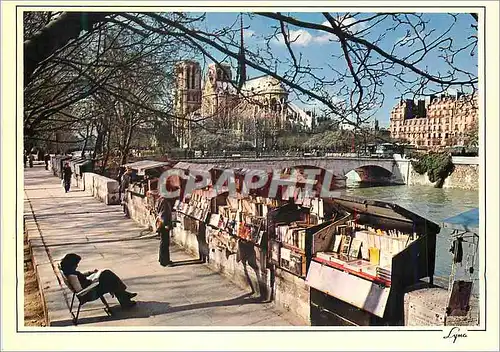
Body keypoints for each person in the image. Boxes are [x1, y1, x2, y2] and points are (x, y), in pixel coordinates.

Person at [60, 253, 137, 308]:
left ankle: (124, 297)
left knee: (108, 276)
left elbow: (80, 276)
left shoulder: (69, 271)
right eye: (76, 264)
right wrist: (93, 283)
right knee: (108, 276)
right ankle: (125, 297)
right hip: (90, 293)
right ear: (71, 264)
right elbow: (80, 291)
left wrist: (92, 273)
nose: (77, 266)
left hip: (90, 287)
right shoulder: (72, 276)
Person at [156, 195, 173, 267]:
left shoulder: (159, 200)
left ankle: (162, 259)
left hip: (161, 223)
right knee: (165, 242)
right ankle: (164, 261)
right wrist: (166, 224)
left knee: (163, 242)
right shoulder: (164, 201)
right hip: (164, 224)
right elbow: (163, 214)